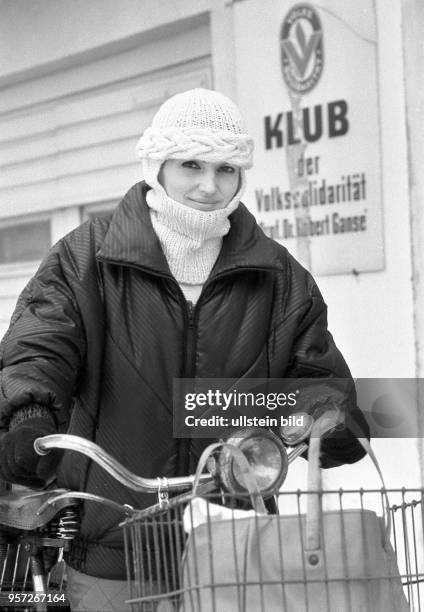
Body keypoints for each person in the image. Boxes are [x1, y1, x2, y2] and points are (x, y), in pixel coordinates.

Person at [0, 88, 369, 610]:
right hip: (114, 551)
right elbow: (40, 343)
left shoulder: (280, 276)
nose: (208, 186)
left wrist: (315, 420)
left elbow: (318, 380)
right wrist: (31, 416)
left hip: (235, 552)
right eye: (191, 164)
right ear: (157, 164)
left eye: (226, 169)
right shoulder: (87, 256)